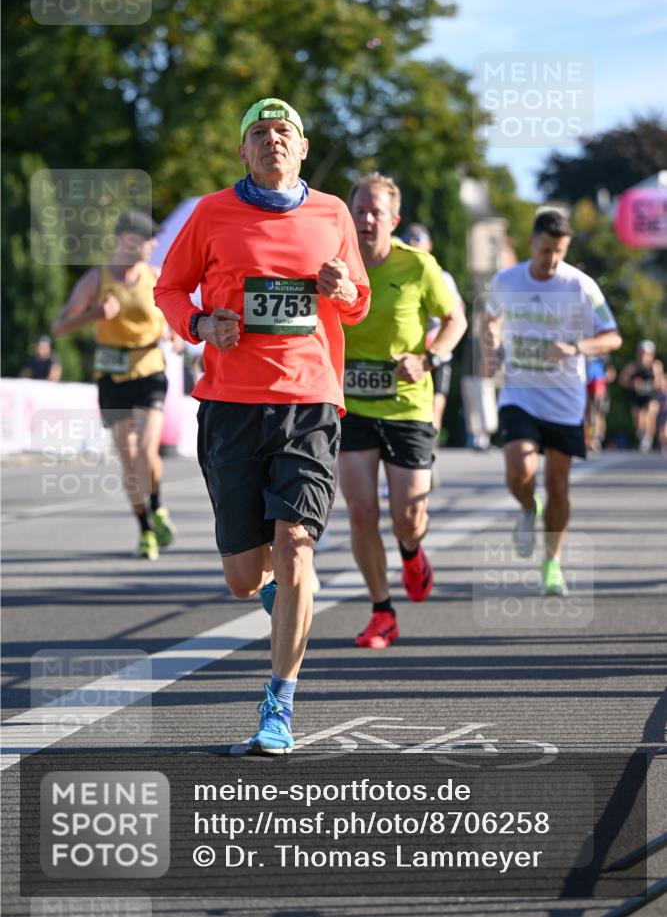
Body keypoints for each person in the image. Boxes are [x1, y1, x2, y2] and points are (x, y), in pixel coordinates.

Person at [154, 97, 370, 754]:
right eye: (259, 134)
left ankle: (278, 705)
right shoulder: (211, 213)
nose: (273, 141)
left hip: (308, 401)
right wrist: (198, 325)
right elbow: (168, 289)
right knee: (244, 577)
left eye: (284, 133)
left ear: (301, 148)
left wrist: (341, 291)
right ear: (243, 152)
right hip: (230, 405)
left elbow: (356, 302)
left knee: (296, 545)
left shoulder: (333, 213)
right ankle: (282, 598)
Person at [339, 173, 467, 649]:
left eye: (376, 212)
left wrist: (430, 357)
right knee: (361, 511)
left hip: (408, 403)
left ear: (393, 220)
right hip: (351, 403)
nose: (367, 219)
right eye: (360, 210)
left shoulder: (418, 266)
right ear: (348, 216)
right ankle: (381, 611)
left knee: (408, 515)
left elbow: (456, 318)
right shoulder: (334, 265)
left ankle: (412, 553)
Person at [483, 210, 622, 596]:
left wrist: (577, 347)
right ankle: (529, 507)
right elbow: (490, 318)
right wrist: (491, 345)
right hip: (520, 393)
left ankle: (551, 563)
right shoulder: (506, 280)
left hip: (564, 400)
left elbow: (612, 337)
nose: (552, 261)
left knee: (558, 484)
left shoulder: (581, 286)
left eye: (559, 252)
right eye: (546, 251)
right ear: (532, 243)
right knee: (518, 469)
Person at [51, 209, 178, 561]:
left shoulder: (156, 276)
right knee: (129, 456)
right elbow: (58, 326)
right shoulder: (96, 280)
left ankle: (158, 505)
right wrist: (93, 314)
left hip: (150, 370)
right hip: (111, 376)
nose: (154, 244)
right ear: (127, 240)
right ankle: (146, 529)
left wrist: (176, 334)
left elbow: (175, 315)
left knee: (147, 451)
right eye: (148, 238)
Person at [402, 223, 463, 453]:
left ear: (429, 246)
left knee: (435, 407)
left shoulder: (443, 277)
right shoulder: (397, 272)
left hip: (437, 352)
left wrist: (440, 343)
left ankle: (428, 455)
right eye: (411, 242)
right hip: (410, 351)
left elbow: (457, 312)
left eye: (419, 242)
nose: (415, 246)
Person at [619, 340, 662, 452]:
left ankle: (648, 439)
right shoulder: (633, 366)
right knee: (639, 418)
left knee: (651, 413)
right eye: (642, 353)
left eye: (647, 353)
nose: (644, 356)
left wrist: (647, 385)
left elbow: (659, 382)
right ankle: (642, 433)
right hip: (637, 396)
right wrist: (632, 384)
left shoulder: (655, 366)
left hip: (651, 395)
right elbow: (622, 380)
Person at [584, 355, 616, 451]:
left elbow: (611, 372)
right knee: (588, 414)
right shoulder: (584, 352)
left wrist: (604, 379)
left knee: (598, 413)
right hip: (585, 384)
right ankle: (589, 438)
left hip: (599, 384)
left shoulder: (603, 355)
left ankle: (597, 437)